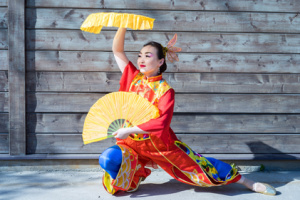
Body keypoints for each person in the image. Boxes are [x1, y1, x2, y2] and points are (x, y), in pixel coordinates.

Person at [99, 27, 276, 196]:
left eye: (147, 56)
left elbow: (161, 123)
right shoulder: (133, 79)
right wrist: (122, 25)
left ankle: (246, 182)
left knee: (199, 167)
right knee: (107, 159)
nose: (141, 60)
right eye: (139, 56)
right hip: (131, 145)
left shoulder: (165, 90)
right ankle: (133, 179)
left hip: (161, 146)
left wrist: (128, 130)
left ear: (160, 61)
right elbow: (117, 51)